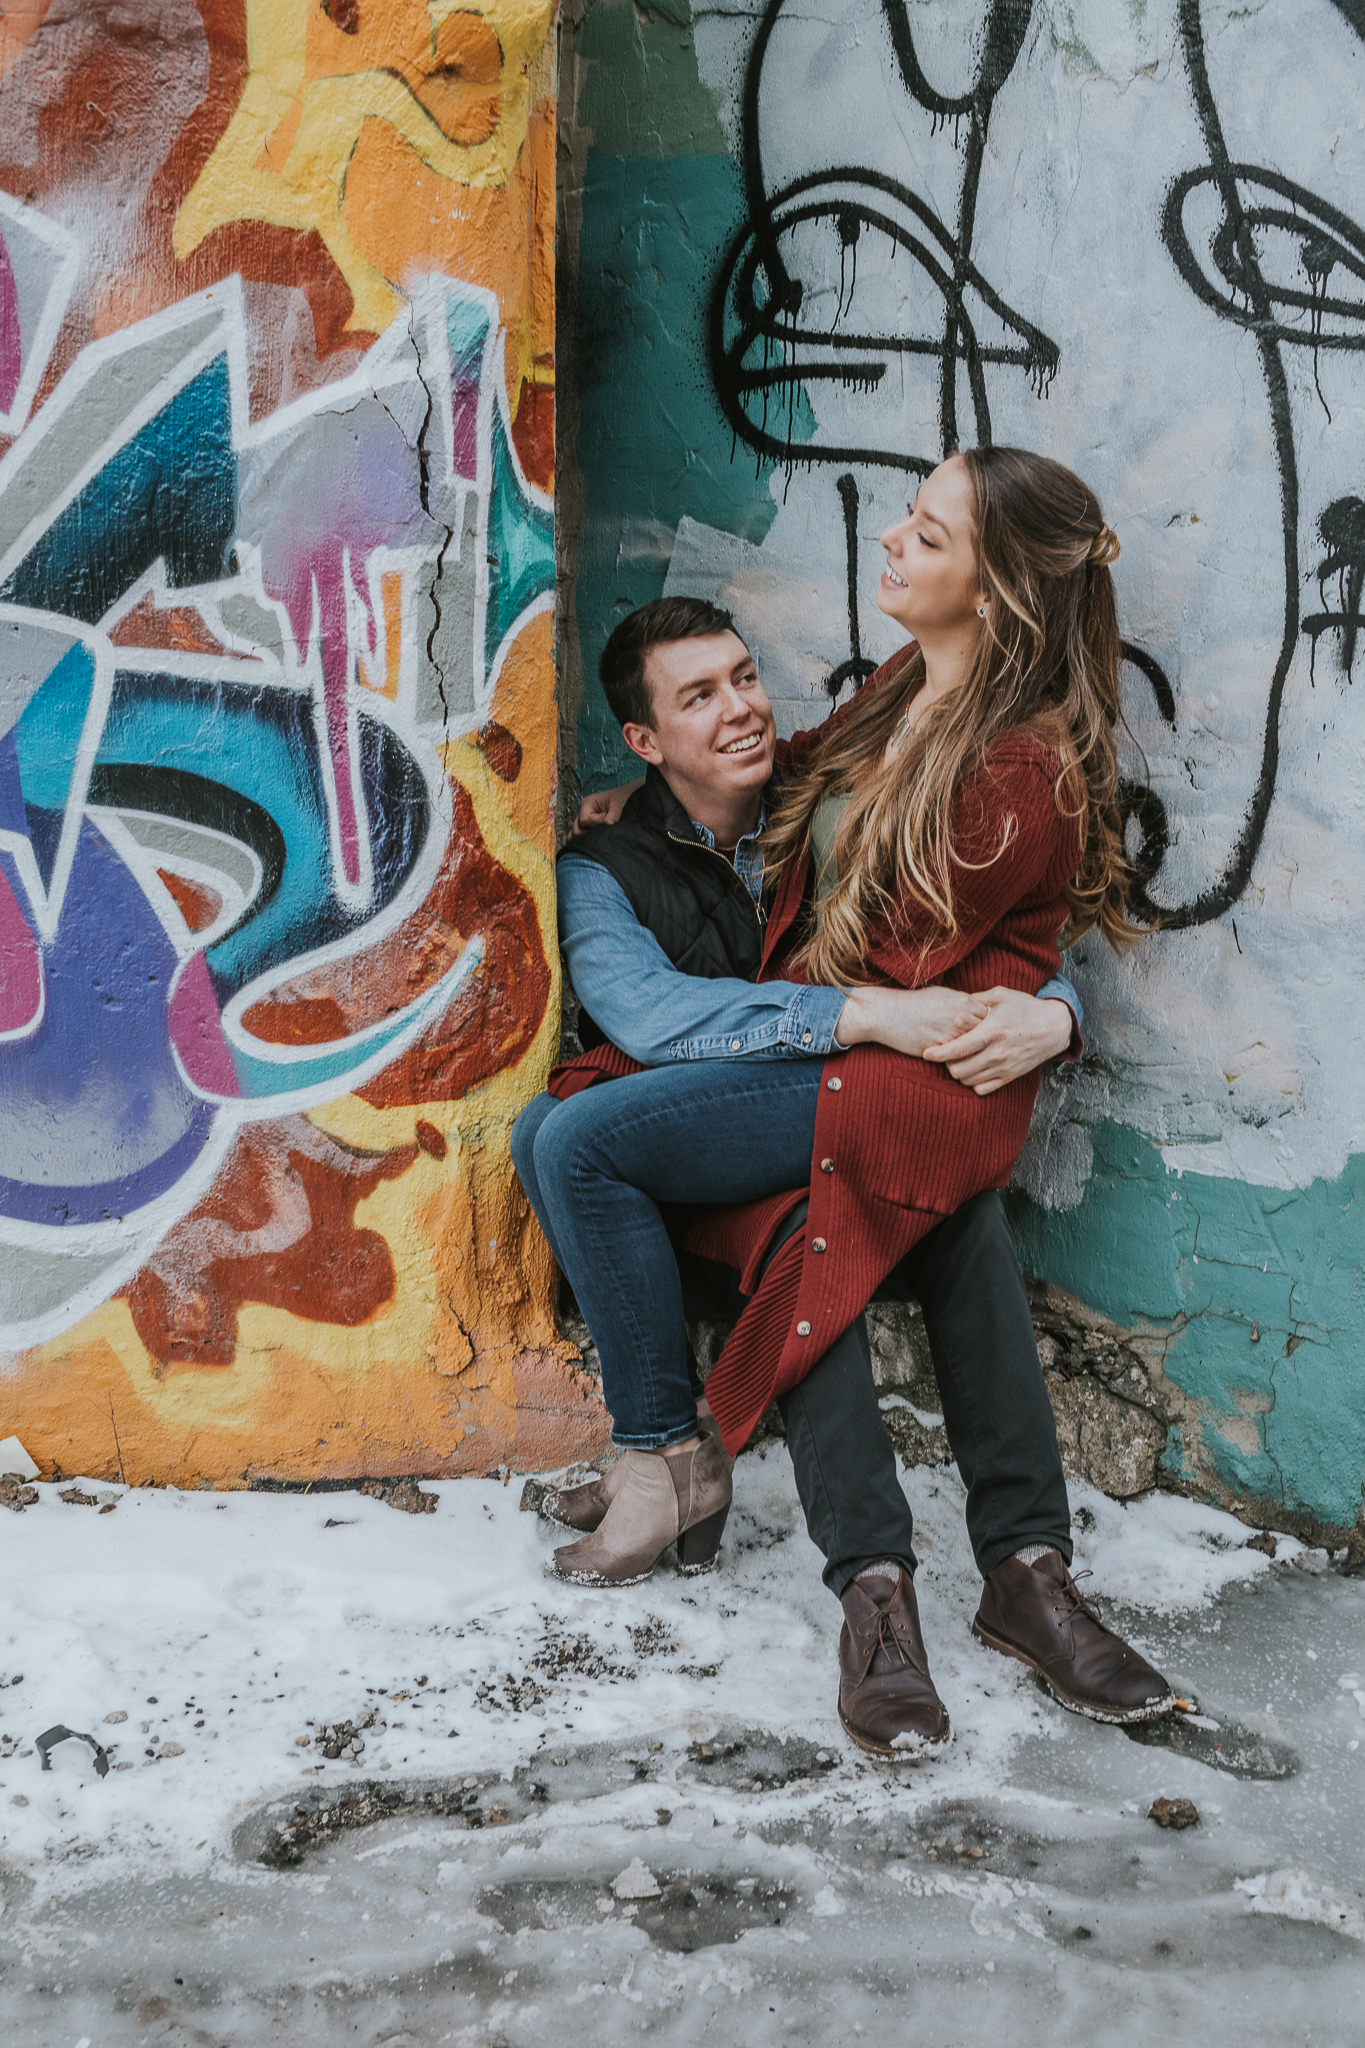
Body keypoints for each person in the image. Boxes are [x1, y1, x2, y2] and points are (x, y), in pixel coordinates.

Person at [513, 445, 1175, 1756]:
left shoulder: (1013, 773)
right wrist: (651, 804)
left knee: (584, 1140)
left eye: (925, 535)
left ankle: (755, 1515)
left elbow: (927, 983)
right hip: (860, 1064)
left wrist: (1056, 1012)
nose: (891, 542)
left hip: (918, 1082)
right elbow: (798, 775)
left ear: (993, 589)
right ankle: (1004, 1579)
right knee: (816, 1235)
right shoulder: (908, 687)